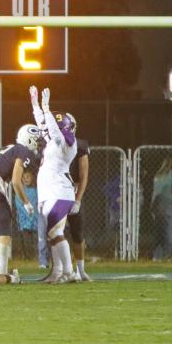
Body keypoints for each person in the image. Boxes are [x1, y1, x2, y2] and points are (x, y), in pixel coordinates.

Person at [29, 85, 79, 283]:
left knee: (55, 232)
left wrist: (47, 108)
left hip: (59, 192)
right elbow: (44, 125)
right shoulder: (55, 140)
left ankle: (69, 272)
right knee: (53, 234)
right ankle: (58, 272)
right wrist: (36, 106)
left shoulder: (68, 143)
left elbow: (54, 132)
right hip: (53, 192)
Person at [0, 124, 41, 279]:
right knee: (5, 233)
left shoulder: (11, 147)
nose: (38, 143)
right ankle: (3, 273)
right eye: (36, 140)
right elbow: (15, 181)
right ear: (29, 139)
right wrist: (26, 202)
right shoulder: (24, 151)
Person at [66, 114, 92, 281]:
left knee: (77, 232)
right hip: (55, 191)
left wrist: (77, 199)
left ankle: (80, 269)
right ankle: (63, 270)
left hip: (71, 190)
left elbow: (83, 176)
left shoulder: (80, 146)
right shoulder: (51, 144)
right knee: (55, 233)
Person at [14, 169, 39, 260]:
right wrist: (27, 219)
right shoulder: (19, 192)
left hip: (35, 221)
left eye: (28, 177)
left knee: (36, 240)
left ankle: (38, 257)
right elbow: (19, 207)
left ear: (32, 178)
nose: (25, 179)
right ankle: (29, 258)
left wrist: (32, 218)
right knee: (26, 241)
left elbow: (36, 205)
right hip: (24, 222)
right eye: (23, 177)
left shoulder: (36, 191)